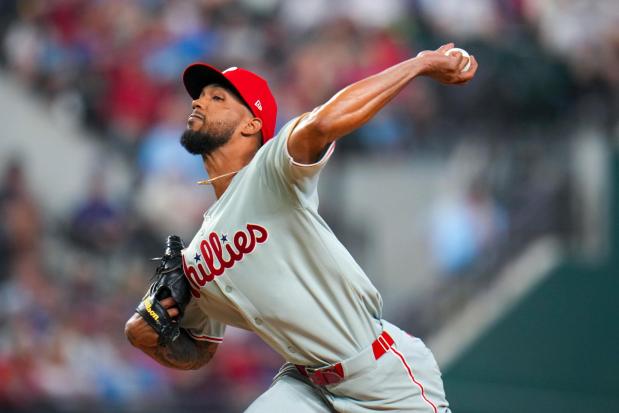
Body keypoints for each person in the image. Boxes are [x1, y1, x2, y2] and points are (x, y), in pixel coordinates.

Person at [125, 42, 478, 412]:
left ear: (252, 123)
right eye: (199, 97)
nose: (198, 102)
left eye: (218, 98)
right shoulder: (195, 258)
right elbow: (198, 353)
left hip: (380, 376)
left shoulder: (269, 172)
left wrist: (419, 65)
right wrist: (149, 335)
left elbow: (323, 123)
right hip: (306, 387)